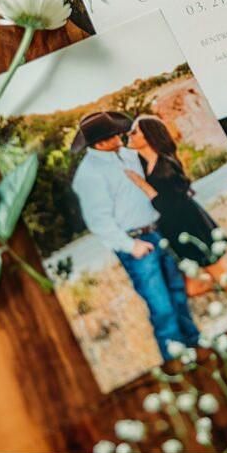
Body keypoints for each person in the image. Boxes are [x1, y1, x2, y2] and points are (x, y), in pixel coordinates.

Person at [70, 111, 200, 358]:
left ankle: (194, 343)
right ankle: (176, 357)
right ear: (100, 143)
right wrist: (131, 246)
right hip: (137, 243)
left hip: (160, 230)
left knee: (178, 293)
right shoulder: (89, 175)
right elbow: (99, 222)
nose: (120, 135)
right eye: (113, 134)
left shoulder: (129, 155)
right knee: (161, 307)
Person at [123, 115, 227, 321]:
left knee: (215, 270)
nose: (129, 135)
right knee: (192, 287)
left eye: (135, 131)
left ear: (149, 135)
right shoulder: (146, 166)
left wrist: (143, 186)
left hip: (191, 225)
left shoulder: (166, 165)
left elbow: (168, 206)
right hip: (175, 230)